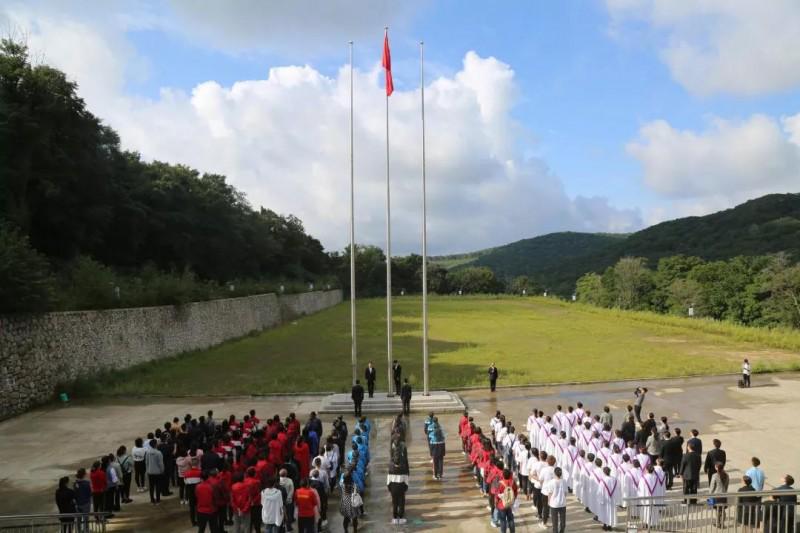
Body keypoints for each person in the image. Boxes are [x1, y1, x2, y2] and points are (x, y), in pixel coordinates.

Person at [543, 466, 568, 533]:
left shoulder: (551, 482)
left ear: (554, 473)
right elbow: (565, 493)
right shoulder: (564, 481)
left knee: (555, 522)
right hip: (562, 503)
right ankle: (562, 531)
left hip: (554, 504)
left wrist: (549, 501)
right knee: (563, 521)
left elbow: (550, 493)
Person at [494, 468, 518, 533]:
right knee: (511, 519)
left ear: (503, 475)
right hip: (510, 504)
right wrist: (513, 499)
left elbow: (497, 495)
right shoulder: (513, 482)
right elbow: (516, 491)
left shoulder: (500, 483)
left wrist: (496, 503)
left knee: (503, 520)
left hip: (502, 505)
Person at [709, 462, 729, 528]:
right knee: (722, 510)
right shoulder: (726, 475)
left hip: (716, 496)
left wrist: (710, 495)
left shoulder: (714, 475)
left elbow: (712, 487)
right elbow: (726, 486)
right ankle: (722, 523)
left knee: (717, 510)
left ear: (716, 468)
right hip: (724, 495)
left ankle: (718, 523)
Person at [145, 439, 165, 505]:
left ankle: (152, 500)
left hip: (150, 472)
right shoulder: (158, 453)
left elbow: (146, 462)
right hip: (157, 472)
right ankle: (158, 499)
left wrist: (147, 470)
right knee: (158, 486)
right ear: (156, 444)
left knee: (151, 487)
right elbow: (160, 463)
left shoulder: (147, 452)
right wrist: (162, 470)